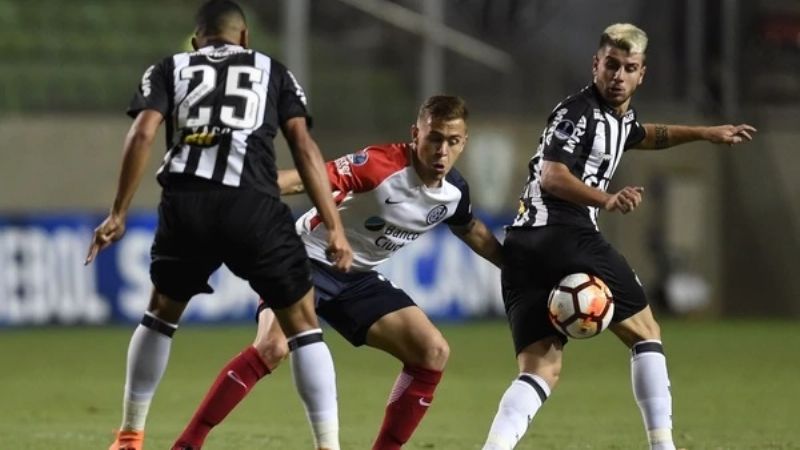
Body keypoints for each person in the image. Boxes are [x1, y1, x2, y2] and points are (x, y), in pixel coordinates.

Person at [84, 2, 354, 449]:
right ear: (245, 37)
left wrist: (118, 213)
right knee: (303, 326)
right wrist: (334, 227)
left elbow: (143, 134)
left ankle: (130, 436)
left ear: (196, 41)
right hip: (254, 205)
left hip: (185, 205)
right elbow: (304, 146)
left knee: (159, 316)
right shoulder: (273, 70)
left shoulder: (171, 68)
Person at [172, 95, 503, 450]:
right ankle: (188, 444)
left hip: (355, 276)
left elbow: (471, 229)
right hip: (302, 259)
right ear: (415, 134)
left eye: (452, 142)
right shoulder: (379, 165)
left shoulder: (454, 192)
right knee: (272, 347)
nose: (442, 151)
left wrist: (514, 268)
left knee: (432, 351)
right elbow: (306, 178)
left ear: (463, 142)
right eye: (434, 138)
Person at [481, 23, 756, 450]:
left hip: (522, 245)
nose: (618, 76)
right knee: (646, 332)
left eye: (628, 68)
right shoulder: (578, 112)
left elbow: (645, 135)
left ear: (641, 73)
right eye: (611, 65)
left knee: (539, 370)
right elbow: (552, 176)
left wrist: (705, 133)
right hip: (564, 231)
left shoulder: (618, 120)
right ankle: (663, 447)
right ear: (596, 64)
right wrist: (605, 200)